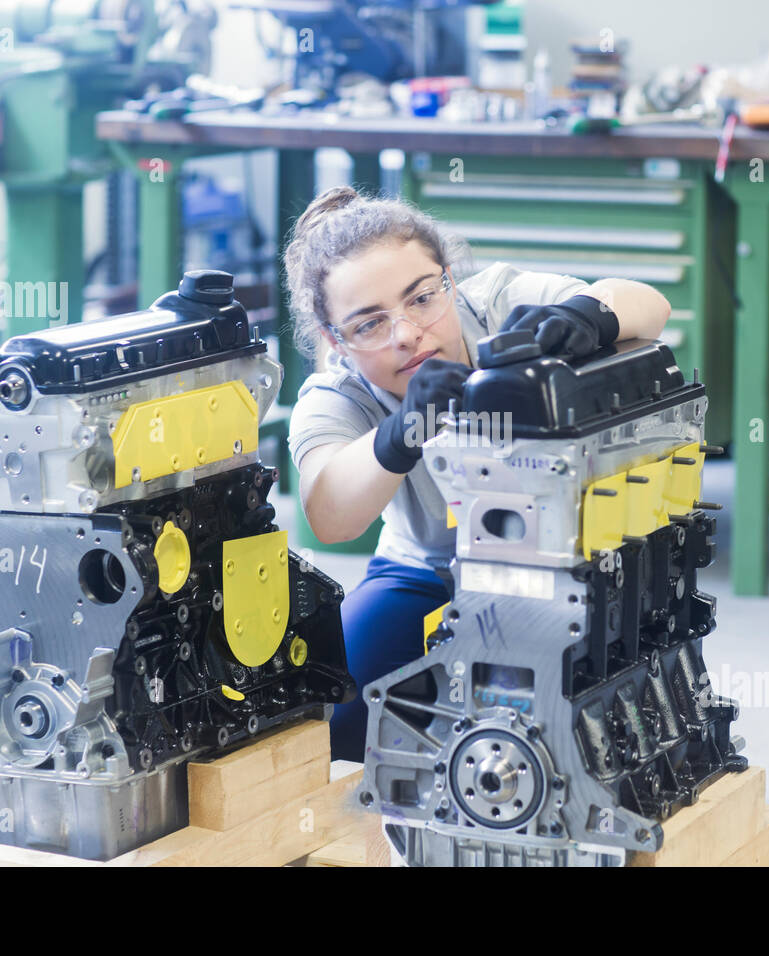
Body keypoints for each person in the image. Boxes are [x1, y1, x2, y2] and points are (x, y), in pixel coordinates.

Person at [284, 186, 672, 760]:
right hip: (428, 566)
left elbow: (651, 306)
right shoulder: (334, 397)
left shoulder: (499, 303)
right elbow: (329, 514)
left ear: (448, 278)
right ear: (333, 340)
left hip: (568, 554)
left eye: (420, 298)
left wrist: (587, 315)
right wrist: (401, 432)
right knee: (332, 709)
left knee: (599, 711)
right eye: (368, 325)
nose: (406, 333)